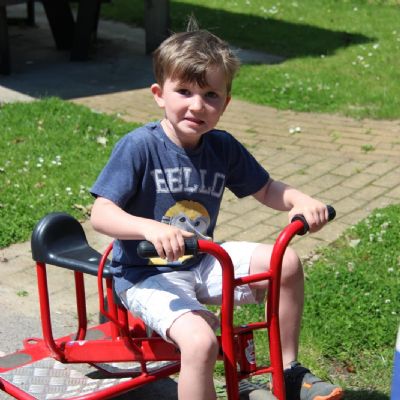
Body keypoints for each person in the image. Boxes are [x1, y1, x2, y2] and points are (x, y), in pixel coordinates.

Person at [90, 22, 343, 400]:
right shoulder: (140, 146)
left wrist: (299, 200)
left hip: (202, 258)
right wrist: (150, 229)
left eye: (210, 95)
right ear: (159, 95)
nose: (197, 105)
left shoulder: (221, 147)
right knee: (201, 343)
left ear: (225, 104)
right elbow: (101, 213)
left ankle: (287, 369)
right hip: (145, 273)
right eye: (184, 91)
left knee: (286, 263)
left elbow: (266, 189)